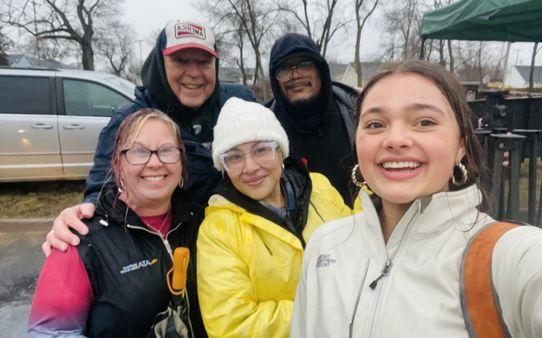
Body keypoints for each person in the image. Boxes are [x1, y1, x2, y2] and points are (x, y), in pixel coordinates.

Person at [290, 60, 542, 337]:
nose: (395, 139)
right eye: (375, 124)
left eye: (424, 122)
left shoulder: (502, 258)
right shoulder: (325, 245)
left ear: (461, 146)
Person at [43, 19, 256, 254]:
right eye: (181, 61)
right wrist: (78, 217)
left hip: (243, 250)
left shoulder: (239, 104)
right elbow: (102, 193)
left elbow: (277, 153)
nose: (194, 73)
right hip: (173, 256)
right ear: (160, 63)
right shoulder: (131, 121)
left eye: (203, 61)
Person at [28, 109, 205, 337]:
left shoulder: (202, 223)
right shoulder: (80, 238)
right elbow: (49, 332)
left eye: (167, 150)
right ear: (118, 164)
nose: (154, 162)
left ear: (181, 161)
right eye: (139, 151)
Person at [196, 97, 351, 337]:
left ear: (281, 152)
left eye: (261, 150)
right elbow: (232, 326)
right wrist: (323, 308)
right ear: (223, 167)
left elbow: (361, 250)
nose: (250, 167)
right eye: (235, 157)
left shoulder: (319, 189)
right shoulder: (219, 230)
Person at [268, 33, 359, 206]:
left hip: (357, 224)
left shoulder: (356, 113)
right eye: (284, 69)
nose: (295, 75)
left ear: (320, 70)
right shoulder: (264, 127)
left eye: (305, 64)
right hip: (293, 231)